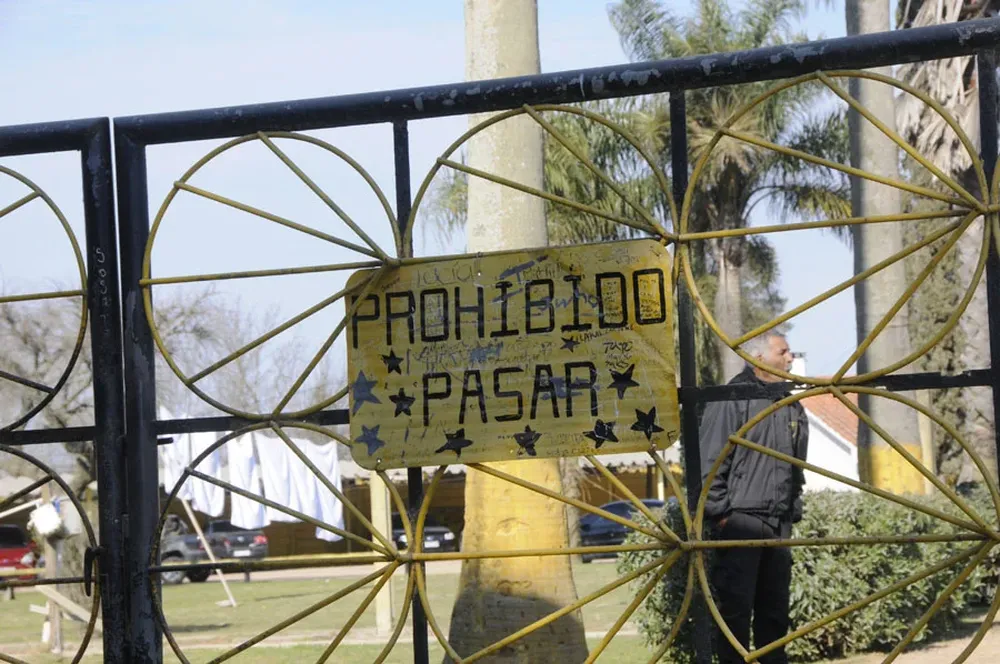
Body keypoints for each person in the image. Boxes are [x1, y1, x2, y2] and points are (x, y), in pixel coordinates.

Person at [699, 331, 809, 664]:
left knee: (774, 614)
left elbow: (796, 465)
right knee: (735, 614)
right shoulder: (732, 397)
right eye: (783, 352)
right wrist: (721, 514)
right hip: (741, 521)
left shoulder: (790, 403)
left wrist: (792, 509)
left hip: (778, 524)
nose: (790, 358)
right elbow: (710, 459)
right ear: (760, 358)